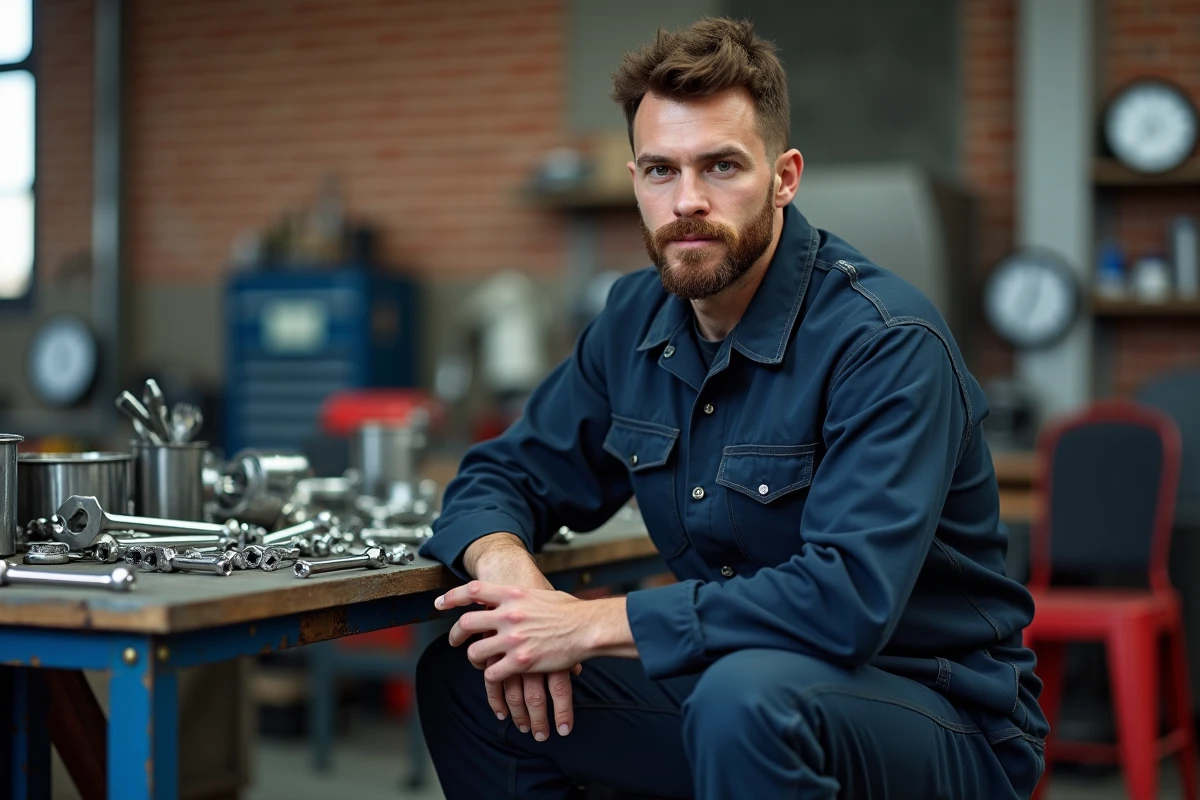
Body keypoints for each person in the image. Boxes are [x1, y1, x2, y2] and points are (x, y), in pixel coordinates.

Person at [416, 16, 1047, 800]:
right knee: (470, 675)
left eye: (720, 167)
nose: (687, 201)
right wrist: (511, 576)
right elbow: (502, 475)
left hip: (934, 715)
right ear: (635, 179)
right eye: (659, 171)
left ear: (784, 177)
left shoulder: (885, 341)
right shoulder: (632, 319)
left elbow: (845, 602)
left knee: (744, 700)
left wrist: (590, 623)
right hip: (740, 693)